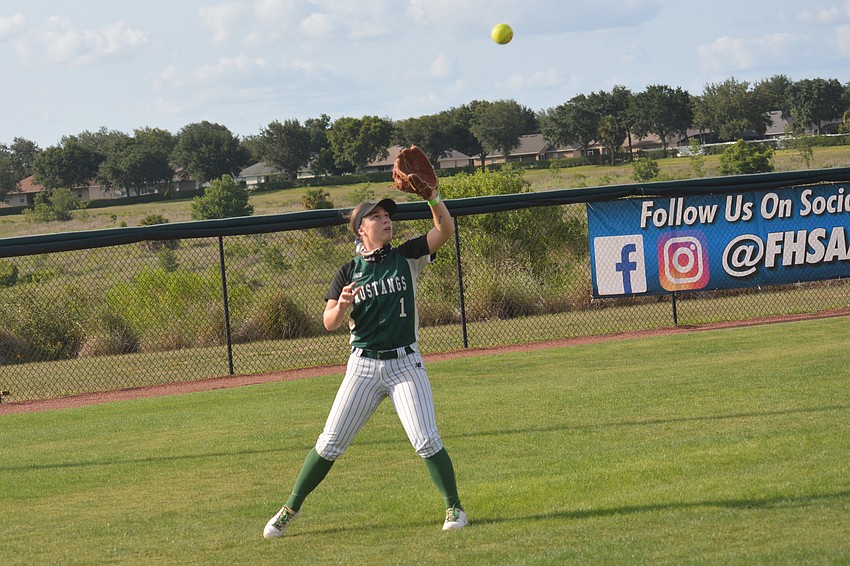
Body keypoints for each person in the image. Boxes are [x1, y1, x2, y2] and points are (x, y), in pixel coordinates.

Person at [263, 186, 467, 538]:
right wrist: (340, 306)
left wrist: (433, 198)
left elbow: (444, 231)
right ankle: (289, 508)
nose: (385, 219)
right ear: (361, 229)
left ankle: (455, 508)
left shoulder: (407, 256)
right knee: (329, 443)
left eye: (387, 215)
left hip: (406, 364)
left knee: (426, 440)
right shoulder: (348, 272)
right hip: (363, 368)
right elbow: (329, 321)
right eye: (376, 216)